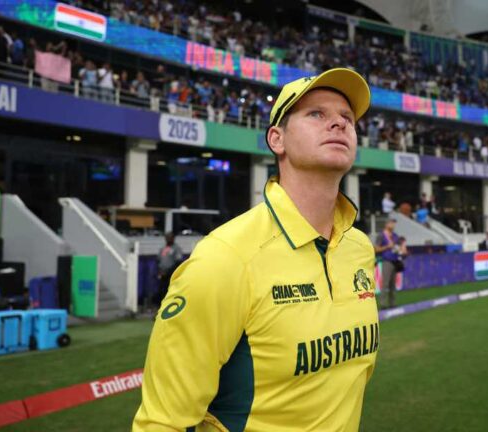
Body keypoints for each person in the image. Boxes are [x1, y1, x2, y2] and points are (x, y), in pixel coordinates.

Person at [134, 68, 378, 431]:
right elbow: (162, 422)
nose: (339, 123)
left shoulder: (359, 249)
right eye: (316, 114)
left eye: (347, 118)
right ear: (277, 139)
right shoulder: (225, 258)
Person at [375, 217, 400, 309]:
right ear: (386, 224)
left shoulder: (395, 236)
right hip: (386, 261)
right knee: (385, 283)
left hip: (395, 260)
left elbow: (398, 247)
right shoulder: (381, 235)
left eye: (394, 223)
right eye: (391, 223)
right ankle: (383, 304)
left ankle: (392, 303)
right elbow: (376, 249)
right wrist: (387, 247)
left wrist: (398, 249)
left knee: (393, 284)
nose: (393, 225)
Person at [154, 231, 182, 308]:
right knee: (161, 291)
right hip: (162, 274)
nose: (168, 239)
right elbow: (158, 260)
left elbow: (178, 262)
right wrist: (159, 271)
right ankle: (160, 307)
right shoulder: (163, 248)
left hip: (171, 274)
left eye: (170, 237)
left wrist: (168, 271)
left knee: (169, 291)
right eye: (167, 237)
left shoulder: (176, 248)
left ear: (173, 238)